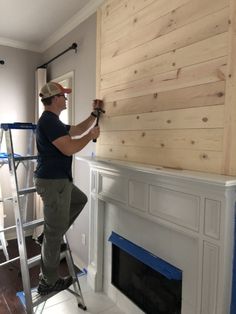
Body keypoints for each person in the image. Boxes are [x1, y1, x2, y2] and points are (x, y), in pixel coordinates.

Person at [34, 81, 103, 295]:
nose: (66, 99)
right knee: (55, 234)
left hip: (59, 182)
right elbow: (69, 148)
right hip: (54, 183)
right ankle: (48, 282)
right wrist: (90, 137)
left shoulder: (54, 121)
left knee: (79, 199)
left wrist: (95, 114)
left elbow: (78, 129)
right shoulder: (48, 121)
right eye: (63, 95)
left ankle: (48, 236)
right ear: (54, 99)